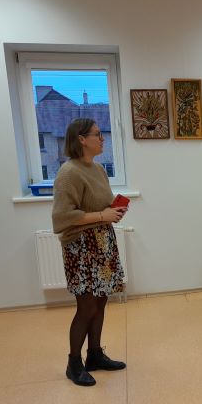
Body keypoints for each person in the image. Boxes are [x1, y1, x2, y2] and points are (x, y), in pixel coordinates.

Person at [52, 118, 128, 386]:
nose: (102, 138)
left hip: (102, 242)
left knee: (101, 300)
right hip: (81, 247)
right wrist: (102, 215)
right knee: (86, 306)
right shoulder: (68, 173)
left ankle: (94, 354)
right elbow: (62, 217)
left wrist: (113, 210)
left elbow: (100, 205)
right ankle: (74, 364)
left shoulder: (98, 169)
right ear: (81, 139)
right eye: (97, 134)